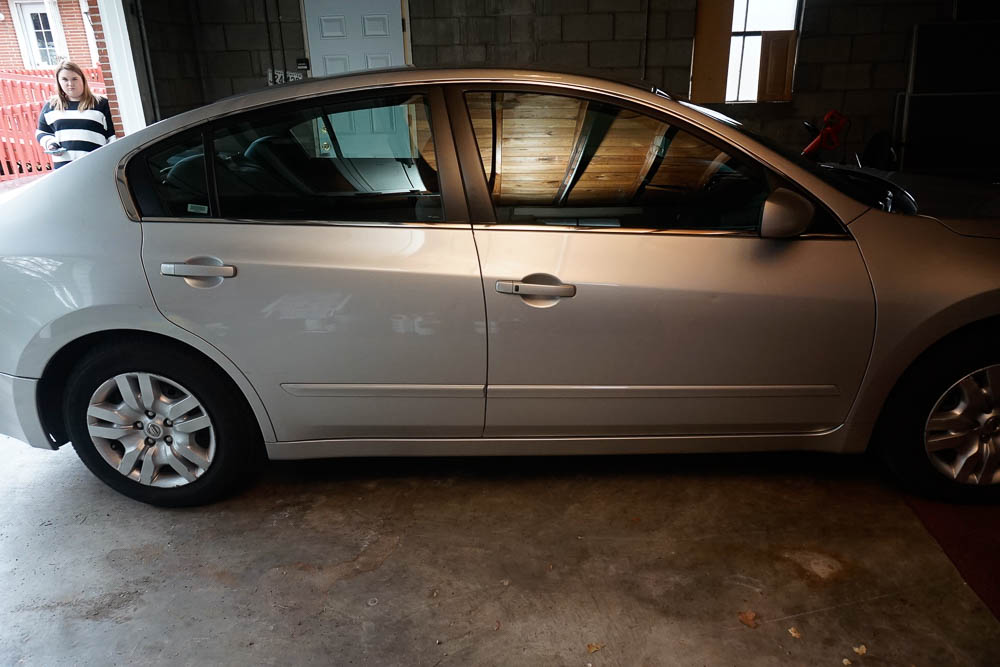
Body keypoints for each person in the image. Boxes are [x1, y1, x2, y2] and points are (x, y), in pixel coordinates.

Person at [35, 61, 116, 169]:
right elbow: (42, 132)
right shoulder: (51, 106)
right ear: (58, 82)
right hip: (64, 169)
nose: (70, 83)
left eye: (74, 78)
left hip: (96, 166)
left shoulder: (101, 103)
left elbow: (112, 136)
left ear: (82, 79)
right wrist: (51, 144)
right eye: (64, 79)